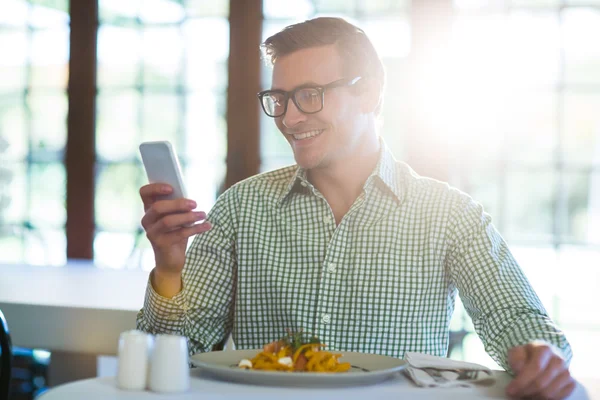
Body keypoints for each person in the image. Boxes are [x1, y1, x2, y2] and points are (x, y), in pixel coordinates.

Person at [137, 17, 575, 399]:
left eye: (309, 95)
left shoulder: (450, 214)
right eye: (280, 99)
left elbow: (516, 320)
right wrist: (170, 270)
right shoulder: (239, 208)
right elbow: (178, 356)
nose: (289, 119)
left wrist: (539, 354)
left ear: (368, 94)